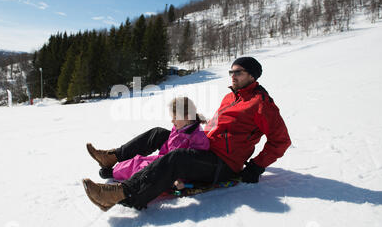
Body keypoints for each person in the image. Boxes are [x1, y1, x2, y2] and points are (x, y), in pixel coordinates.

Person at [82, 57, 292, 211]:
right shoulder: (231, 97)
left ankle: (124, 192)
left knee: (177, 158)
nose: (233, 76)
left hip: (223, 163)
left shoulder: (262, 104)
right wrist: (191, 128)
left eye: (238, 72)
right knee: (159, 134)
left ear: (252, 75)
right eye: (231, 72)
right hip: (204, 147)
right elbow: (218, 125)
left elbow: (281, 140)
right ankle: (112, 157)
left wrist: (256, 166)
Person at [89, 97, 209, 188]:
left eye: (175, 117)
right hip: (165, 158)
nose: (172, 120)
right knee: (139, 161)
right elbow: (170, 147)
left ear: (187, 117)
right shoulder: (178, 128)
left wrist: (179, 179)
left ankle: (117, 180)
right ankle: (114, 167)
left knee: (145, 169)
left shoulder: (198, 137)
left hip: (173, 169)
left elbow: (193, 164)